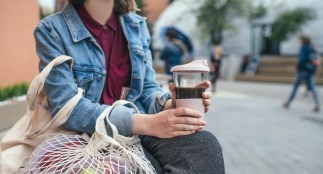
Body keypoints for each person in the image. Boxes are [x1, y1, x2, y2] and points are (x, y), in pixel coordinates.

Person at [34, 0, 225, 173]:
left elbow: (147, 90)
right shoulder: (52, 30)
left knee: (204, 145)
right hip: (88, 137)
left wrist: (169, 104)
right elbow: (67, 109)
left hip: (141, 132)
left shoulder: (137, 26)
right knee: (137, 168)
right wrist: (149, 124)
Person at [284, 36, 320, 112]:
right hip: (311, 71)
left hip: (303, 70)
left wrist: (298, 67)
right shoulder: (312, 48)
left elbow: (302, 59)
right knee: (313, 88)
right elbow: (316, 59)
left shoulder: (304, 47)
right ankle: (317, 104)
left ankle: (288, 102)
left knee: (296, 86)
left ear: (303, 40)